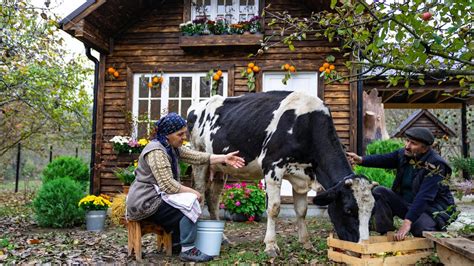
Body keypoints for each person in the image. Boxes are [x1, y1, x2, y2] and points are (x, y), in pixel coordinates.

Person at [126, 112, 245, 262]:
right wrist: (193, 192)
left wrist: (224, 158)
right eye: (180, 134)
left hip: (155, 198)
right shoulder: (156, 151)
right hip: (145, 202)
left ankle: (177, 243)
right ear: (168, 134)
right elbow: (168, 185)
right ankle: (188, 249)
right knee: (189, 202)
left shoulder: (169, 146)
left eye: (184, 133)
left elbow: (197, 157)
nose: (184, 137)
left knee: (185, 202)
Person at [346, 127, 456, 241]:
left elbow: (425, 197)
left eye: (413, 143)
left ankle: (435, 228)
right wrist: (361, 159)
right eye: (407, 140)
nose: (407, 146)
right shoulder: (405, 154)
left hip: (432, 209)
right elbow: (384, 159)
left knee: (420, 229)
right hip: (408, 203)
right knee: (380, 192)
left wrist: (407, 222)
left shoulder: (436, 165)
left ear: (424, 149)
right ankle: (386, 233)